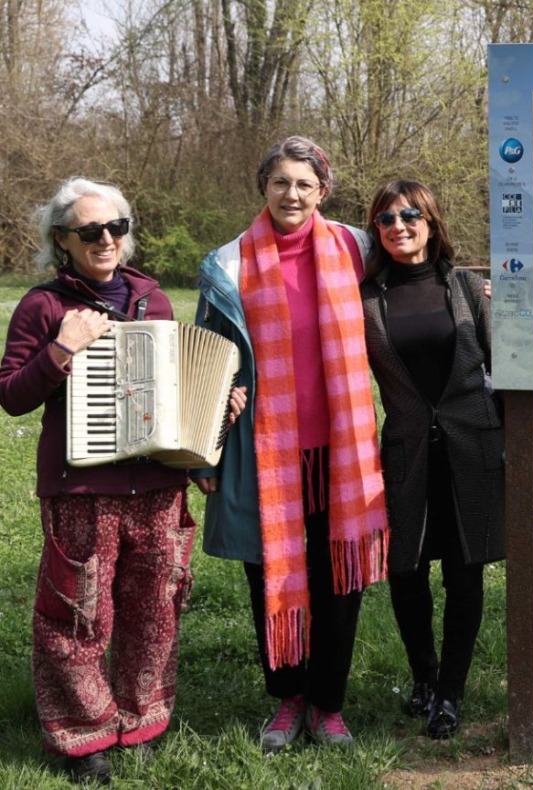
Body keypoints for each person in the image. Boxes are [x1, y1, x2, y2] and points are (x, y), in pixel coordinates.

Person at [0, 178, 219, 784]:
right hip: (81, 487)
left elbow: (175, 390)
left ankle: (142, 721)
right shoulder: (43, 307)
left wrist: (213, 421)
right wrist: (61, 349)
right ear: (61, 241)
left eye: (115, 228)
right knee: (77, 613)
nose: (105, 240)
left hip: (156, 485)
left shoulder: (153, 299)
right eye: (89, 231)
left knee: (155, 608)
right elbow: (12, 396)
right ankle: (82, 734)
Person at [192, 136, 388, 752]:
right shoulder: (229, 263)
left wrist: (473, 294)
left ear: (323, 191)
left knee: (339, 578)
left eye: (305, 183)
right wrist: (205, 446)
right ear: (264, 188)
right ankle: (287, 697)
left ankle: (328, 703)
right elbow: (205, 357)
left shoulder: (357, 248)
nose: (293, 194)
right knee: (269, 571)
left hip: (341, 448)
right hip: (264, 449)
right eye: (281, 182)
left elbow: (417, 272)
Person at [359, 179, 504, 739]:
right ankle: (424, 677)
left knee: (465, 575)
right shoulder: (366, 298)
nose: (399, 226)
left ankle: (452, 692)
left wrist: (510, 440)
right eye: (387, 219)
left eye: (410, 214)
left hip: (473, 448)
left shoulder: (468, 288)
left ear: (432, 221)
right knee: (406, 571)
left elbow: (507, 365)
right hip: (406, 452)